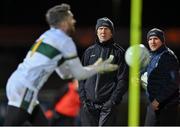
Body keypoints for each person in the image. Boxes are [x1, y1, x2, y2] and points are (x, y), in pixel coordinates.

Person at [3, 4, 118, 126]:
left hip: (19, 82)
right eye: (71, 18)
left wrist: (91, 68)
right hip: (26, 87)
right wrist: (97, 68)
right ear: (63, 23)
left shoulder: (48, 35)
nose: (74, 21)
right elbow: (79, 74)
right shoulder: (65, 41)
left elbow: (65, 74)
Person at [78, 17, 128, 126]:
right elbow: (81, 76)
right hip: (89, 106)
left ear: (111, 32)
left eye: (106, 28)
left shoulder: (119, 53)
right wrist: (83, 99)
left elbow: (123, 80)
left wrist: (112, 101)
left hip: (108, 107)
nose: (103, 31)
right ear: (96, 31)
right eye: (100, 28)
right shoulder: (89, 52)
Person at [142, 28, 180, 126]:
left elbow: (174, 83)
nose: (152, 42)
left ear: (162, 41)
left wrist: (158, 100)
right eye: (150, 39)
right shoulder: (150, 55)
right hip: (153, 104)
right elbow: (144, 71)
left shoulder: (168, 57)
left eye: (155, 39)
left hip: (167, 106)